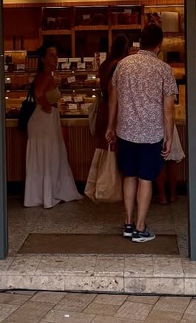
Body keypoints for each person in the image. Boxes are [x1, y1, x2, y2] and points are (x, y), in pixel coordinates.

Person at [106, 24, 177, 243]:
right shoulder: (163, 69)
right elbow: (168, 109)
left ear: (140, 41)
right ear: (160, 43)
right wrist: (169, 136)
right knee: (146, 178)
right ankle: (139, 227)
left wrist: (110, 126)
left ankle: (128, 224)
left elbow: (113, 97)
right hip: (151, 133)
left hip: (125, 130)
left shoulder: (123, 65)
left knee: (129, 176)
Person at [24, 44, 81, 208]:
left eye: (56, 55)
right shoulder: (46, 76)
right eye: (51, 55)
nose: (55, 58)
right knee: (49, 154)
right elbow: (38, 94)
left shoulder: (47, 75)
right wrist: (45, 104)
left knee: (47, 155)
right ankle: (50, 193)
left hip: (45, 120)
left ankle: (43, 193)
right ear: (43, 59)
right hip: (43, 120)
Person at [93, 34, 130, 150]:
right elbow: (115, 93)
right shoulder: (119, 66)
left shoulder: (105, 64)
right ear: (125, 49)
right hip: (114, 113)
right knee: (115, 152)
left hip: (103, 110)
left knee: (104, 150)